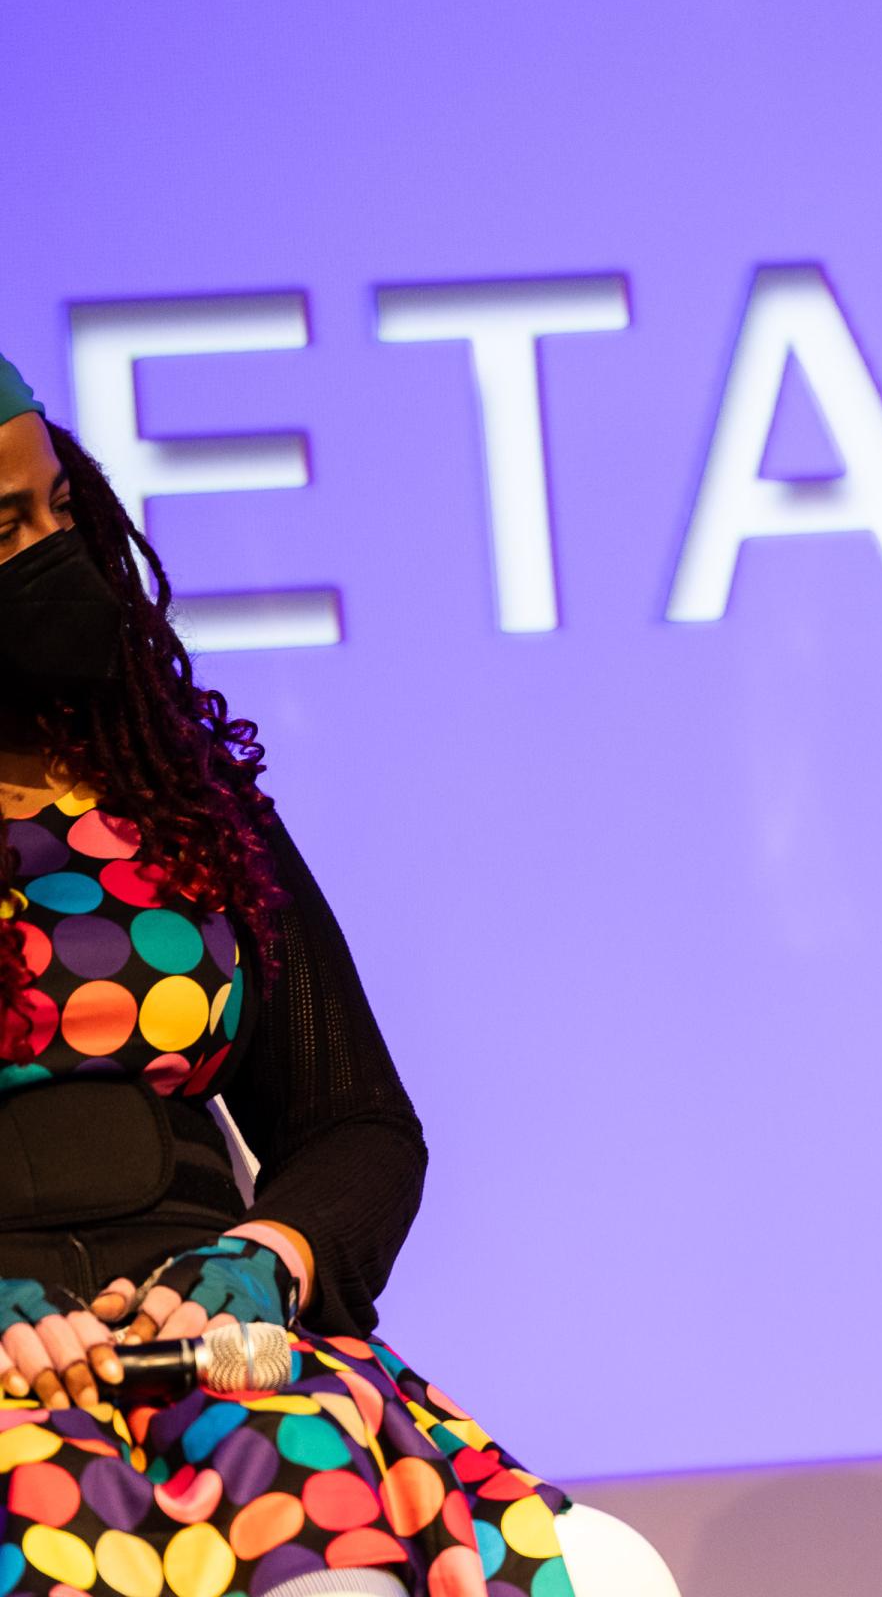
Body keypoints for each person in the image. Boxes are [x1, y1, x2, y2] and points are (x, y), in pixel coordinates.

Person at [0, 352, 570, 1596]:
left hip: (201, 1335)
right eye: (6, 529)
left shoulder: (176, 801)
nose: (57, 554)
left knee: (299, 1467)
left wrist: (271, 1251)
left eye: (61, 511)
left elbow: (359, 1122)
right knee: (59, 1518)